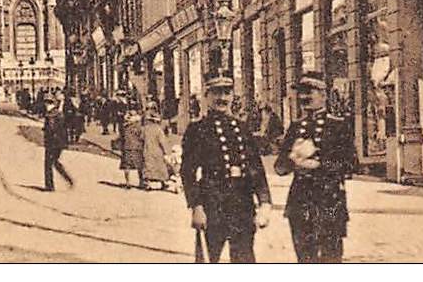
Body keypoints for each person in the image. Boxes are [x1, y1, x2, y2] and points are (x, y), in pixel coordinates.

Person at [181, 76, 272, 263]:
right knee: (208, 260)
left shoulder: (242, 127)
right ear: (206, 96)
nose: (222, 98)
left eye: (226, 92)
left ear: (232, 96)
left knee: (244, 260)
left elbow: (256, 167)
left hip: (242, 204)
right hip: (213, 204)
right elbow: (188, 172)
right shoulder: (197, 129)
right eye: (216, 92)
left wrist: (265, 202)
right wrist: (196, 207)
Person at [274, 74, 356, 263]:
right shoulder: (295, 127)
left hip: (328, 200)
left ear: (323, 95)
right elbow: (280, 167)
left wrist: (319, 165)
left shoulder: (338, 125)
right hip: (300, 201)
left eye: (309, 92)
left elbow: (350, 164)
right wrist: (292, 159)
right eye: (301, 93)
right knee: (304, 257)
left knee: (330, 257)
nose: (304, 97)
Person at [43, 100, 74, 191]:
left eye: (47, 103)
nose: (46, 105)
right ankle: (68, 178)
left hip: (52, 143)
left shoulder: (51, 115)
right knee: (55, 162)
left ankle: (49, 186)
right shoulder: (59, 114)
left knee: (48, 164)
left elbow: (51, 129)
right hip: (60, 143)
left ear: (50, 104)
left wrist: (46, 132)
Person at [141, 106, 174, 191]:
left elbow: (141, 138)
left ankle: (147, 184)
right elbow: (162, 141)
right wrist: (167, 152)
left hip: (147, 149)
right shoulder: (158, 130)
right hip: (157, 151)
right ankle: (163, 183)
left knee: (148, 167)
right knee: (160, 167)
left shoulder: (145, 129)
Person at [119, 106, 145, 188]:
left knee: (127, 166)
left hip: (127, 147)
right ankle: (141, 182)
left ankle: (128, 182)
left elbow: (121, 137)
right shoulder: (139, 127)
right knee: (140, 166)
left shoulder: (124, 127)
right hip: (137, 147)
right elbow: (142, 137)